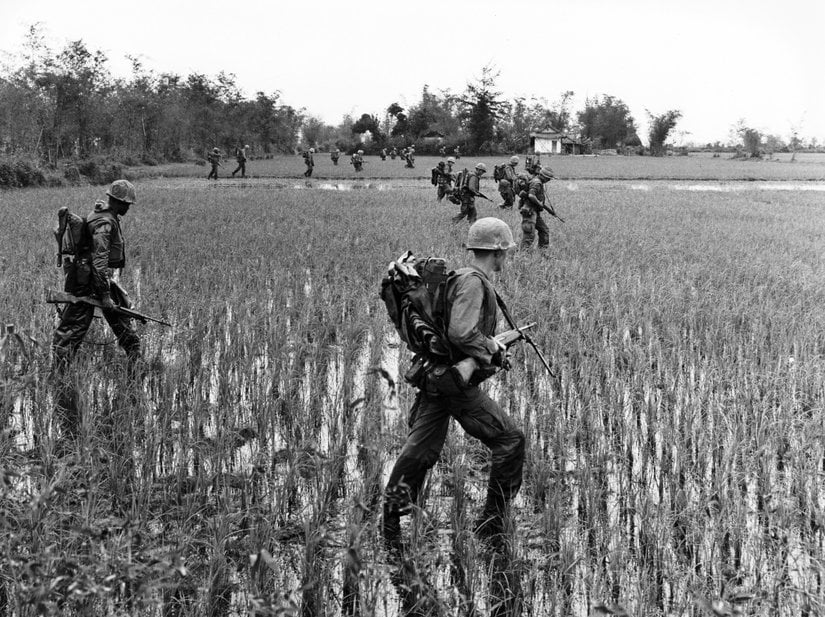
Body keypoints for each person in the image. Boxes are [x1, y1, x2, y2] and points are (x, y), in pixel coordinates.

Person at [383, 217, 525, 553]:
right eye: (506, 251)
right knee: (510, 440)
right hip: (453, 383)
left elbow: (455, 333)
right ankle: (492, 522)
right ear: (499, 252)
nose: (506, 258)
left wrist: (486, 345)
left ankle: (389, 523)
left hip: (437, 378)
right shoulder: (474, 282)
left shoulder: (461, 276)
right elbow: (461, 333)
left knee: (418, 452)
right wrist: (490, 347)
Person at [52, 180, 142, 438]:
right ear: (119, 202)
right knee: (70, 332)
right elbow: (99, 260)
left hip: (94, 280)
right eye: (126, 204)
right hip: (88, 283)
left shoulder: (105, 214)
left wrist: (106, 292)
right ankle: (59, 380)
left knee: (123, 324)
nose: (128, 208)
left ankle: (136, 364)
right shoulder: (105, 222)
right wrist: (103, 295)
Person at [518, 166, 553, 249]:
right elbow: (531, 195)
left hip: (534, 211)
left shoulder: (537, 181)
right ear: (543, 176)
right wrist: (540, 204)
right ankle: (523, 255)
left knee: (544, 230)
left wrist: (548, 210)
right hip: (529, 211)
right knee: (529, 233)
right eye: (548, 178)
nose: (549, 180)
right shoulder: (537, 182)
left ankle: (543, 251)